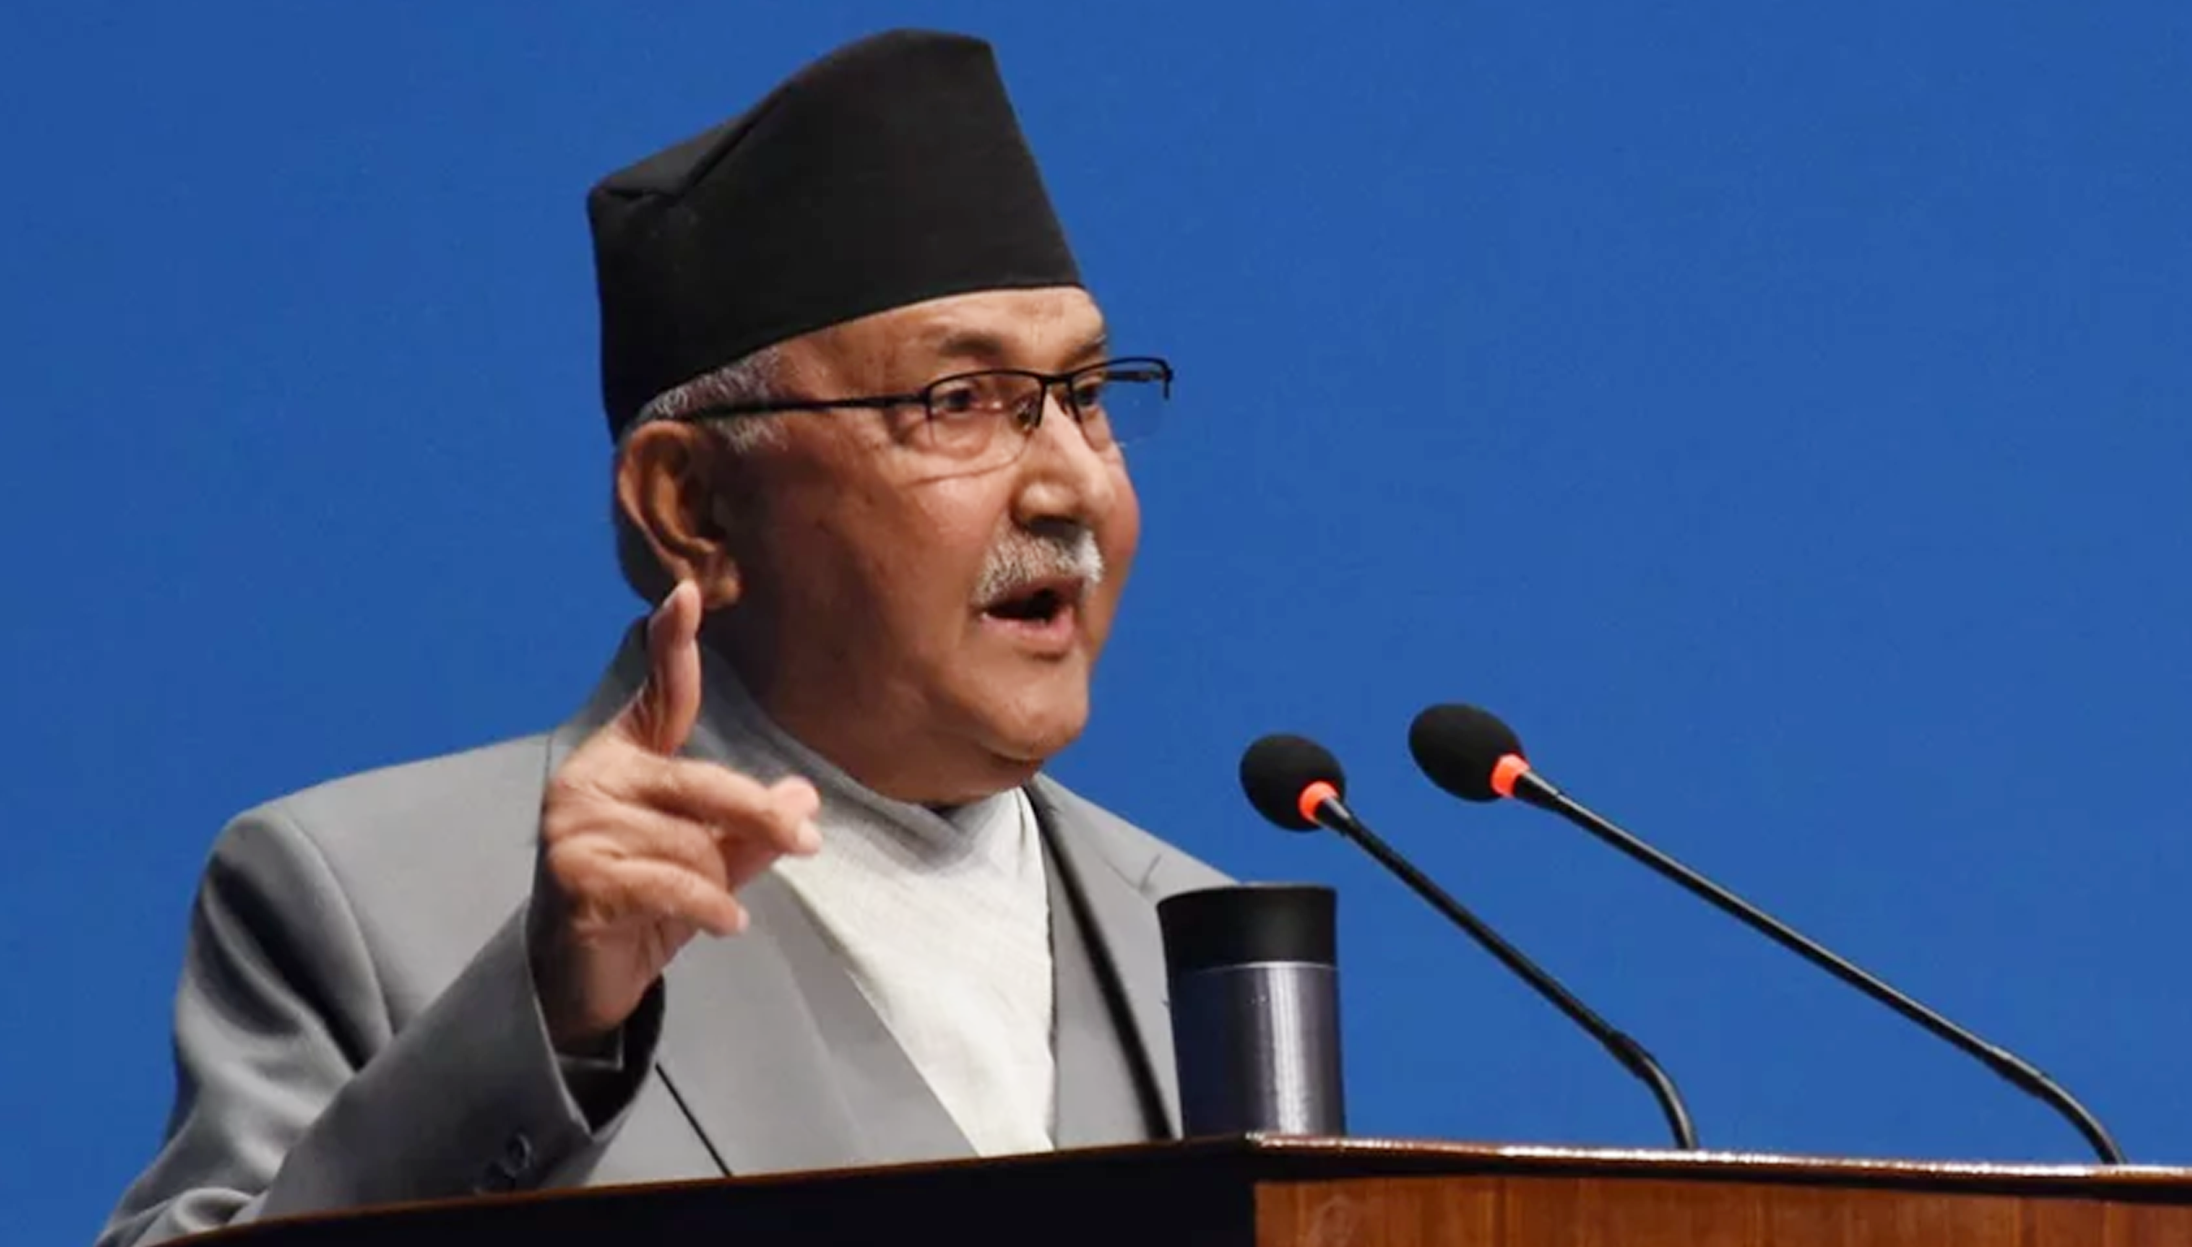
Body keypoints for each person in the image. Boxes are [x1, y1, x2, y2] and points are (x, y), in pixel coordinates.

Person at [100, 29, 1226, 1247]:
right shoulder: (372, 899)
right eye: (957, 403)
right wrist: (542, 1021)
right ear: (692, 507)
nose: (1072, 485)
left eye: (1086, 396)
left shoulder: (1198, 931)